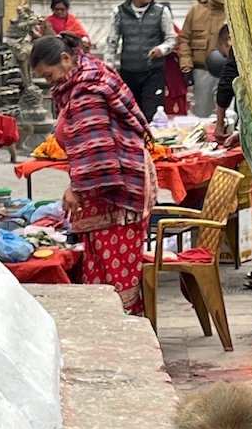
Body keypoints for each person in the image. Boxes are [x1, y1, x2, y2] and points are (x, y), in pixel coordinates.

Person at [31, 33, 159, 315]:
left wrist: (76, 187)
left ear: (66, 59)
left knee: (115, 274)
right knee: (103, 267)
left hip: (118, 189)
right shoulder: (88, 77)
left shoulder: (86, 92)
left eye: (49, 74)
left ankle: (123, 333)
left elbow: (98, 151)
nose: (49, 82)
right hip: (120, 183)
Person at [104, 0, 177, 122]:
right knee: (129, 115)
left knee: (152, 114)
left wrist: (161, 49)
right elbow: (112, 42)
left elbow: (171, 39)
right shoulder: (119, 13)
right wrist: (109, 67)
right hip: (128, 72)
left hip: (153, 73)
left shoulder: (161, 12)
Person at [178, 0, 227, 117]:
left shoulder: (235, 9)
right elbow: (184, 39)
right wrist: (186, 67)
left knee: (228, 113)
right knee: (202, 113)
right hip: (203, 70)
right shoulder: (196, 10)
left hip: (228, 70)